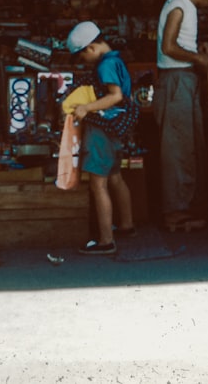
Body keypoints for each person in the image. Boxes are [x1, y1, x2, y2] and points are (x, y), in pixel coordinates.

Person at [154, 0, 208, 232]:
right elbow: (168, 46)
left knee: (188, 148)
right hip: (176, 83)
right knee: (177, 152)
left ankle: (185, 210)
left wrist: (197, 49)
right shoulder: (180, 4)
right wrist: (197, 57)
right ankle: (175, 216)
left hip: (184, 80)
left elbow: (177, 45)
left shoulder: (187, 7)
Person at [65, 21, 137, 256]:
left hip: (104, 129)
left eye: (82, 56)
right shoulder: (117, 60)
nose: (84, 61)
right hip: (117, 129)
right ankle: (126, 225)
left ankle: (106, 240)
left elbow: (114, 96)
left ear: (90, 48)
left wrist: (86, 107)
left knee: (98, 184)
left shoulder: (105, 65)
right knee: (116, 177)